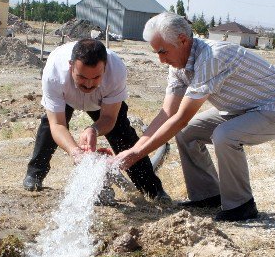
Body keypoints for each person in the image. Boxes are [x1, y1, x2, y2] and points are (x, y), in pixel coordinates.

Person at [114, 12, 275, 221]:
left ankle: (241, 205)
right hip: (243, 108)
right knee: (187, 133)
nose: (161, 60)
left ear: (182, 40)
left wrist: (136, 155)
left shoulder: (212, 56)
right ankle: (208, 195)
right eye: (156, 53)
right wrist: (134, 150)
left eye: (163, 52)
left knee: (225, 135)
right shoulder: (178, 64)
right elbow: (167, 113)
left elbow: (180, 118)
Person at [22, 38, 168, 201]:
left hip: (101, 102)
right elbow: (57, 124)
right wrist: (75, 152)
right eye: (82, 77)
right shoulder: (54, 72)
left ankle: (153, 189)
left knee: (123, 136)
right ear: (71, 66)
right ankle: (35, 174)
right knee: (48, 128)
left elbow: (109, 117)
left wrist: (94, 129)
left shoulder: (116, 71)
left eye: (96, 77)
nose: (89, 84)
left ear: (105, 68)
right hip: (67, 97)